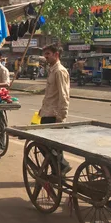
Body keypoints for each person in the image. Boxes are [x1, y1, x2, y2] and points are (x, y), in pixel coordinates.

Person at [39, 43, 72, 174]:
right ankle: (57, 170)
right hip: (46, 113)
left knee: (47, 144)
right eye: (45, 54)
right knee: (48, 145)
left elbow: (64, 95)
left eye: (48, 54)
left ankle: (62, 166)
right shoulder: (52, 70)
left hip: (54, 115)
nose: (45, 57)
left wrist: (61, 117)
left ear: (56, 55)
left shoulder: (60, 71)